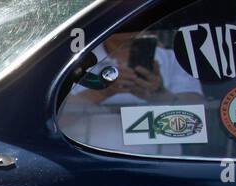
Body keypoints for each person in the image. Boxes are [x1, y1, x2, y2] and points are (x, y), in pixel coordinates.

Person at [59, 32, 205, 153]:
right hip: (89, 169)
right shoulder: (75, 63)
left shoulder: (172, 59)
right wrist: (103, 90)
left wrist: (159, 93)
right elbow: (55, 117)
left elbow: (199, 120)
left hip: (162, 171)